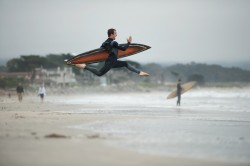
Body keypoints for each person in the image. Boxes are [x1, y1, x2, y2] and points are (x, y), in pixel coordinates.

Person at [74, 28, 150, 77]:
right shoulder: (114, 43)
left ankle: (139, 72)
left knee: (126, 63)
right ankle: (84, 66)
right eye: (115, 33)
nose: (116, 35)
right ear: (111, 34)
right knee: (99, 73)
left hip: (112, 61)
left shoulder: (104, 43)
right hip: (111, 62)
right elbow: (124, 49)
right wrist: (129, 43)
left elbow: (101, 53)